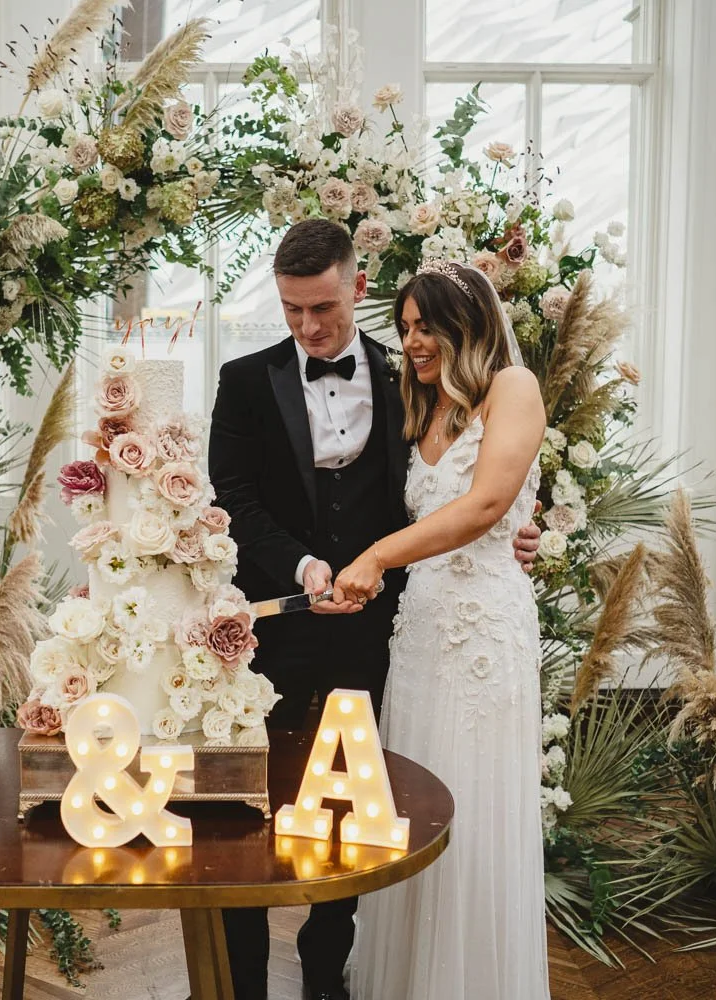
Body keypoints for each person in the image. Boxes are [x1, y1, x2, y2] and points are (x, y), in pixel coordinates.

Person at [208, 220, 541, 1000]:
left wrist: (520, 529)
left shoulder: (414, 374)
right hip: (276, 638)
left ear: (358, 289)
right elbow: (235, 498)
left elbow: (476, 480)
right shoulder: (244, 380)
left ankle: (332, 977)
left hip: (379, 639)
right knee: (250, 812)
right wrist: (302, 563)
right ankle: (239, 986)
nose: (308, 326)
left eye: (322, 307)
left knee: (366, 810)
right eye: (292, 310)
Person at [333, 259, 551, 1000]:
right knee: (415, 805)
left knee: (474, 805)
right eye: (403, 328)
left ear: (467, 324)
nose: (412, 342)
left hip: (484, 637)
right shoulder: (427, 408)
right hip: (420, 633)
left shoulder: (514, 390)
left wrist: (378, 557)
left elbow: (488, 503)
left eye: (424, 326)